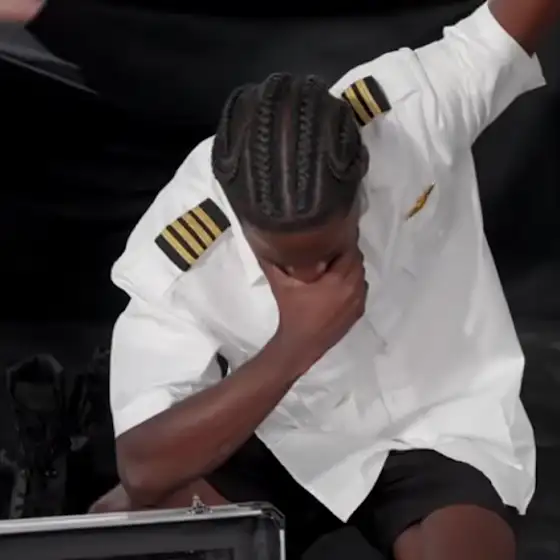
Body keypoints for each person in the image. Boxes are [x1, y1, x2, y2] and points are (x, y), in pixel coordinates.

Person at [3, 1, 559, 559]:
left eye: (330, 251)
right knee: (131, 526)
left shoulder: (409, 113)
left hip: (436, 421)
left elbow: (505, 32)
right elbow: (144, 468)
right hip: (282, 430)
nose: (312, 276)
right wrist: (298, 344)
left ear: (362, 185)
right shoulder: (184, 247)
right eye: (284, 263)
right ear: (240, 219)